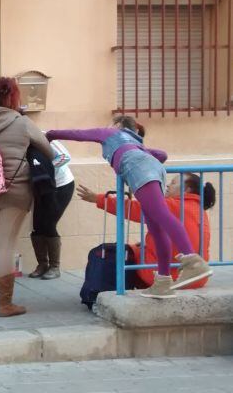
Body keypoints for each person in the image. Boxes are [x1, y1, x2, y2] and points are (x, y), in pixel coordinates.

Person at [47, 115, 212, 298]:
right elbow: (162, 155)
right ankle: (163, 283)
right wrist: (144, 155)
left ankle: (192, 261)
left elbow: (79, 134)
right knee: (157, 229)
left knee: (162, 216)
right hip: (153, 169)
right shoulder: (137, 144)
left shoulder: (111, 133)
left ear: (118, 125)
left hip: (138, 169)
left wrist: (51, 135)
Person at [0, 78, 55, 317]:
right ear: (14, 97)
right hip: (14, 191)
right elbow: (49, 150)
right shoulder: (22, 122)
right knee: (5, 245)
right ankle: (5, 304)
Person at [78, 173, 215, 289]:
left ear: (186, 190)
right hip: (197, 279)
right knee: (137, 248)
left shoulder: (172, 205)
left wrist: (98, 199)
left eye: (173, 183)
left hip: (170, 276)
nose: (168, 185)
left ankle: (102, 293)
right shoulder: (199, 210)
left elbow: (133, 208)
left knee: (112, 253)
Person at [27, 140, 75, 280]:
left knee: (49, 224)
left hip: (61, 185)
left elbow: (65, 157)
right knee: (36, 226)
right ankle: (42, 265)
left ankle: (55, 267)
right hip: (40, 186)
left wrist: (45, 166)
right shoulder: (18, 142)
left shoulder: (48, 139)